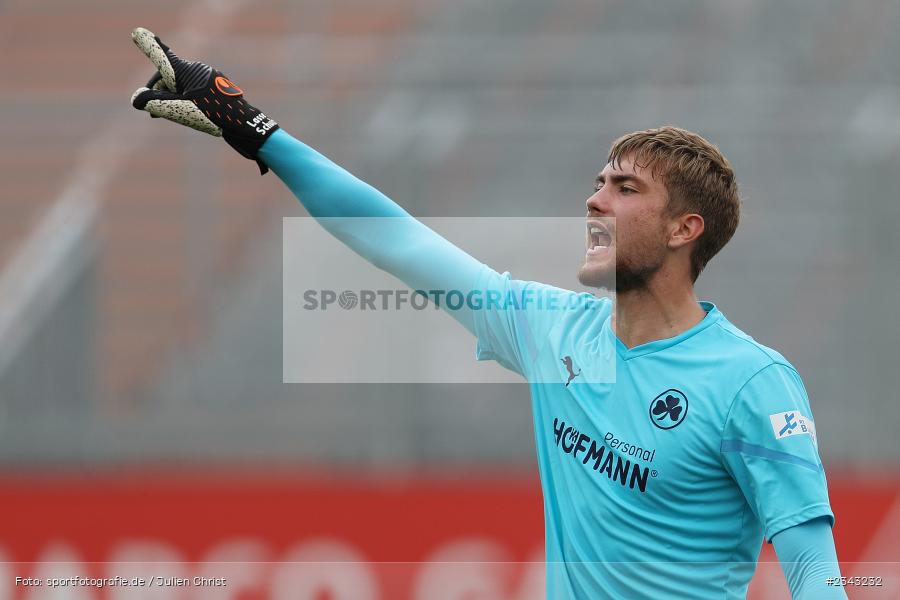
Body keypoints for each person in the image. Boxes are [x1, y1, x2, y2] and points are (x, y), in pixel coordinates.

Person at [129, 28, 847, 599]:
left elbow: (816, 574)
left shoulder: (752, 384)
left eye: (624, 188)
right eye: (598, 182)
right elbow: (394, 237)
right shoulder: (552, 329)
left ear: (684, 230)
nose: (594, 199)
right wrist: (252, 128)